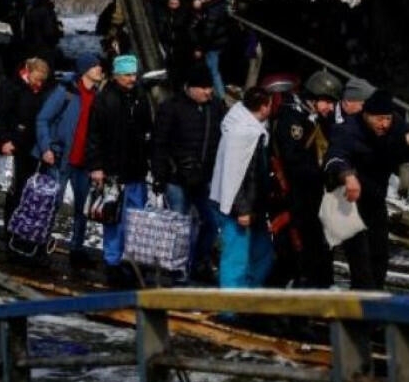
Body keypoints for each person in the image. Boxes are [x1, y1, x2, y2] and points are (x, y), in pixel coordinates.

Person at [323, 89, 409, 289]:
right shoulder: (348, 129)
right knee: (361, 265)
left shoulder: (394, 124)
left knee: (379, 258)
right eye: (379, 119)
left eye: (387, 119)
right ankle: (361, 314)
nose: (383, 124)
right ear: (366, 114)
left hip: (375, 200)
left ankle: (375, 307)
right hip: (349, 203)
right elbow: (334, 157)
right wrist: (347, 175)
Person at [152, 61, 227, 284]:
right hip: (177, 178)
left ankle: (199, 261)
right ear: (190, 87)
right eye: (203, 87)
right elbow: (159, 143)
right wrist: (160, 174)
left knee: (211, 223)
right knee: (179, 225)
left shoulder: (215, 107)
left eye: (210, 87)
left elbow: (219, 140)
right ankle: (178, 270)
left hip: (204, 177)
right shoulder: (171, 107)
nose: (208, 91)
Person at [85, 54, 156, 288]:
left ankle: (132, 263)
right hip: (113, 170)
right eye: (127, 74)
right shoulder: (104, 99)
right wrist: (96, 166)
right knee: (113, 218)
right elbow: (93, 135)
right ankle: (112, 263)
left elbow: (148, 131)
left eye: (133, 74)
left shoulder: (140, 98)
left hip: (135, 169)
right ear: (116, 75)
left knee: (136, 219)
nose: (131, 79)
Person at [271, 69, 342, 288]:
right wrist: (320, 173)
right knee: (293, 252)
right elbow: (293, 159)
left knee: (314, 248)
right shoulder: (293, 117)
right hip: (294, 194)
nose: (330, 108)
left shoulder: (315, 118)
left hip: (312, 194)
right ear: (314, 97)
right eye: (327, 102)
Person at [35, 51, 103, 271]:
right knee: (51, 205)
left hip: (84, 163)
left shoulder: (98, 96)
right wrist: (45, 147)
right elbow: (43, 119)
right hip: (60, 158)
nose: (99, 69)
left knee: (82, 210)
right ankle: (40, 246)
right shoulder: (65, 92)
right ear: (85, 70)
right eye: (95, 66)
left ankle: (78, 249)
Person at [209, 87, 275, 289]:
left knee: (261, 254)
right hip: (240, 209)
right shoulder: (244, 133)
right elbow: (236, 175)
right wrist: (242, 209)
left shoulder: (243, 125)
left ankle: (249, 298)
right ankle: (231, 308)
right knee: (236, 258)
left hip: (252, 205)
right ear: (264, 107)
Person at [0, 57, 53, 231]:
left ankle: (23, 228)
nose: (39, 83)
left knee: (28, 190)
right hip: (14, 144)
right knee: (14, 191)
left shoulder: (40, 91)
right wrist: (4, 140)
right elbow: (0, 116)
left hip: (32, 146)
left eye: (42, 80)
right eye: (37, 79)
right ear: (28, 72)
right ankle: (10, 229)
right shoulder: (11, 87)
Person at [191, 0, 231, 100]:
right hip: (219, 42)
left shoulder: (212, 9)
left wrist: (200, 48)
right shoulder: (219, 6)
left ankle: (221, 96)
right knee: (214, 69)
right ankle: (219, 93)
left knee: (213, 71)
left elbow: (208, 31)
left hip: (213, 45)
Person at [17, 0, 62, 72]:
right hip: (29, 48)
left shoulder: (41, 4)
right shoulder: (26, 2)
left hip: (41, 49)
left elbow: (49, 31)